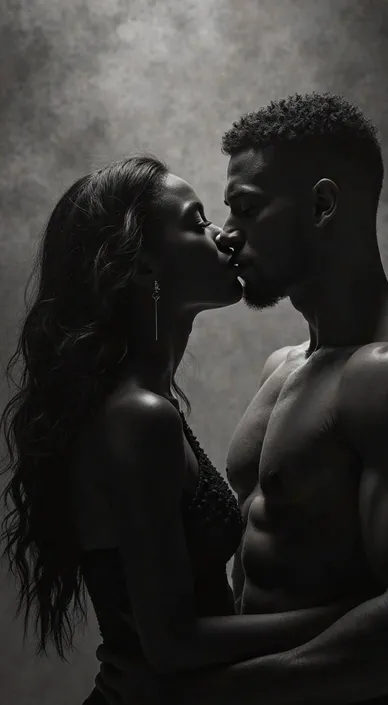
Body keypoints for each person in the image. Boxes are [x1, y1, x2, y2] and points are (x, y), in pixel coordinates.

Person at [95, 94, 388, 704]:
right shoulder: (283, 368)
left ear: (323, 205)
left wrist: (200, 696)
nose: (227, 234)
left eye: (246, 208)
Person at [0, 154, 360, 705]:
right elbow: (171, 644)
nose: (225, 237)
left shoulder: (142, 406)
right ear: (142, 263)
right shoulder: (137, 417)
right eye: (197, 223)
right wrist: (354, 615)